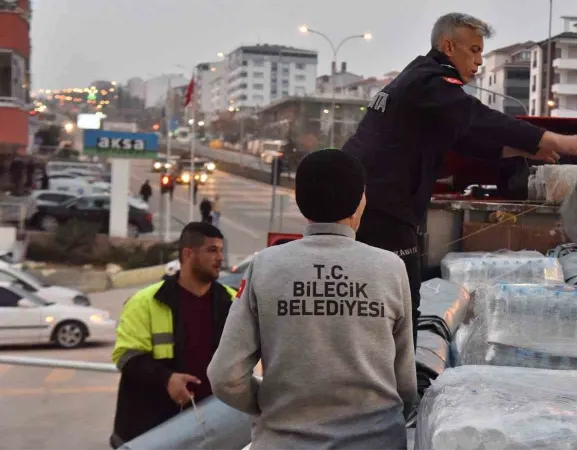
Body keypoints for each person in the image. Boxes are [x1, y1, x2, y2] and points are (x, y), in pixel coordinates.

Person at [341, 12, 577, 346]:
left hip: (373, 203)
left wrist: (526, 150)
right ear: (449, 46)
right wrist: (553, 139)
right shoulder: (430, 83)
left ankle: (388, 371)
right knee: (400, 303)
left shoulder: (422, 81)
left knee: (390, 300)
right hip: (384, 208)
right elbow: (478, 118)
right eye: (475, 51)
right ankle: (396, 385)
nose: (480, 61)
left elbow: (465, 138)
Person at [208, 149, 417, 450]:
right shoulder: (389, 268)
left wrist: (274, 407)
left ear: (299, 201)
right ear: (361, 203)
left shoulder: (266, 266)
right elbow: (406, 385)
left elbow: (224, 376)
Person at [109, 222, 237, 448]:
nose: (220, 258)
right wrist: (166, 379)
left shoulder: (233, 302)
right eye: (212, 250)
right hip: (153, 429)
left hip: (213, 428)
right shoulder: (145, 302)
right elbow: (126, 357)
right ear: (188, 254)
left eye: (221, 250)